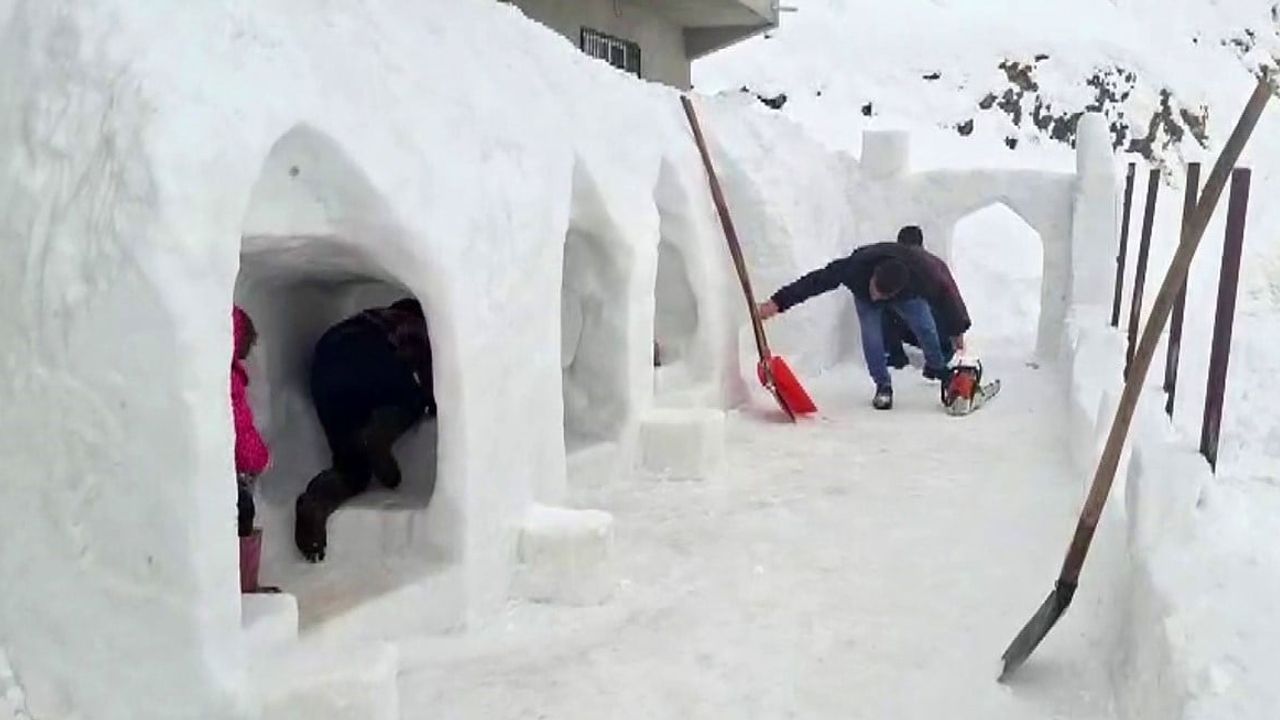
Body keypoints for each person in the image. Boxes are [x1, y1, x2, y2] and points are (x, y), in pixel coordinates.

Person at [295, 298, 436, 562]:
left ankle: (316, 503)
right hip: (369, 355)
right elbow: (431, 381)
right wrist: (429, 402)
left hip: (325, 366)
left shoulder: (368, 317)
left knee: (351, 466)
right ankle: (381, 431)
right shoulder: (414, 325)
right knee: (412, 398)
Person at [758, 240, 970, 410]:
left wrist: (957, 329)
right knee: (871, 337)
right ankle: (883, 387)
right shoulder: (855, 268)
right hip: (863, 293)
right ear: (874, 276)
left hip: (908, 295)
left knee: (925, 326)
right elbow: (816, 282)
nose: (876, 297)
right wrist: (777, 302)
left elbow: (947, 295)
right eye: (875, 289)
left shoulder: (923, 276)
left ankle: (938, 369)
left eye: (882, 294)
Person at [230, 306, 278, 593]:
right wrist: (259, 460)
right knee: (242, 509)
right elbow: (239, 426)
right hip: (217, 470)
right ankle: (242, 586)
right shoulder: (228, 376)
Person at [882, 225, 964, 369]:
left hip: (915, 328)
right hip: (939, 333)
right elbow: (952, 296)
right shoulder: (937, 264)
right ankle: (937, 362)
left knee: (885, 309)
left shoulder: (897, 263)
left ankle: (896, 356)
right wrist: (958, 330)